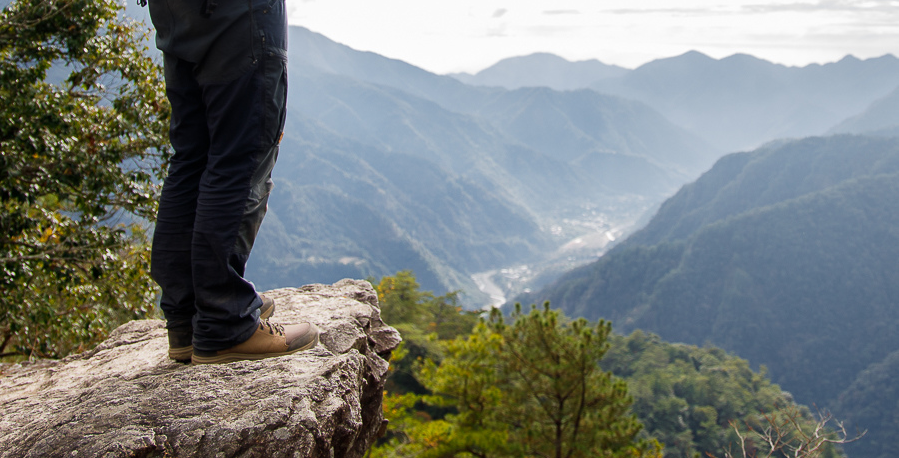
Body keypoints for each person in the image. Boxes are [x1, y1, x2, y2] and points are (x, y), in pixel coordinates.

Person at [142, 0, 318, 364]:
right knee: (240, 156)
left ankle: (188, 317)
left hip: (178, 12)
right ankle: (224, 321)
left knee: (192, 156)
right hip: (238, 14)